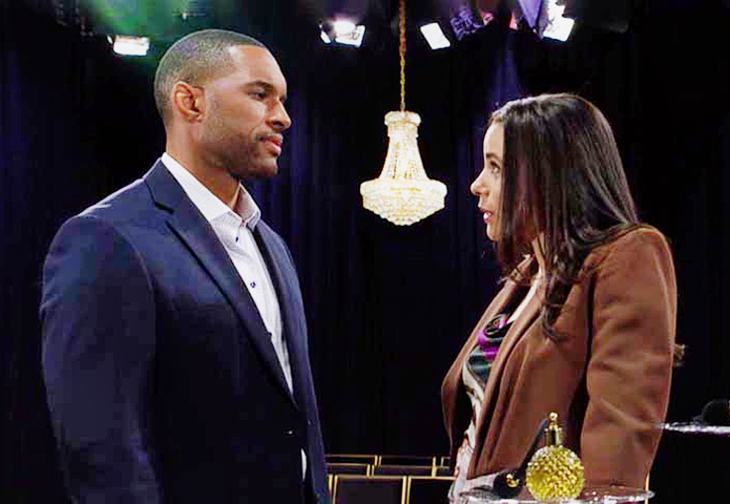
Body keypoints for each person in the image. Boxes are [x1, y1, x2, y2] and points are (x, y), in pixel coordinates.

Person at [40, 29, 328, 503]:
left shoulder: (273, 245)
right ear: (190, 102)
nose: (283, 117)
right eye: (260, 95)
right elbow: (102, 453)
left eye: (281, 99)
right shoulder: (107, 239)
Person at [441, 93, 677, 501]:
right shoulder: (527, 277)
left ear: (549, 174)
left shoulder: (628, 256)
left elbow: (619, 445)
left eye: (496, 168)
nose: (477, 185)